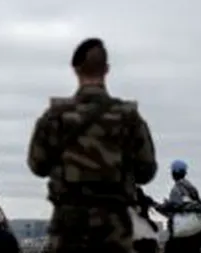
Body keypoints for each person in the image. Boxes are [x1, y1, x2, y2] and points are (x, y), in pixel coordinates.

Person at [27, 37, 158, 253]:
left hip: (69, 224)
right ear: (106, 69)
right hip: (114, 223)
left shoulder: (55, 117)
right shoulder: (128, 117)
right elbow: (146, 171)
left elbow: (37, 166)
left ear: (75, 69)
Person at [157, 160, 201, 253]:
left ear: (174, 173)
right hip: (195, 230)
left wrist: (164, 206)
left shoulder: (176, 189)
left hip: (181, 231)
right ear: (184, 173)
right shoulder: (191, 187)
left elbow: (176, 206)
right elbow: (199, 204)